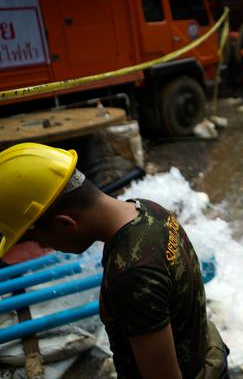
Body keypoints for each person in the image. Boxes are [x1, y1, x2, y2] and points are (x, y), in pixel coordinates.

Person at [0, 143, 229, 378]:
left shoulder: (133, 275)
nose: (44, 248)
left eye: (39, 240)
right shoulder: (148, 209)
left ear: (65, 223)